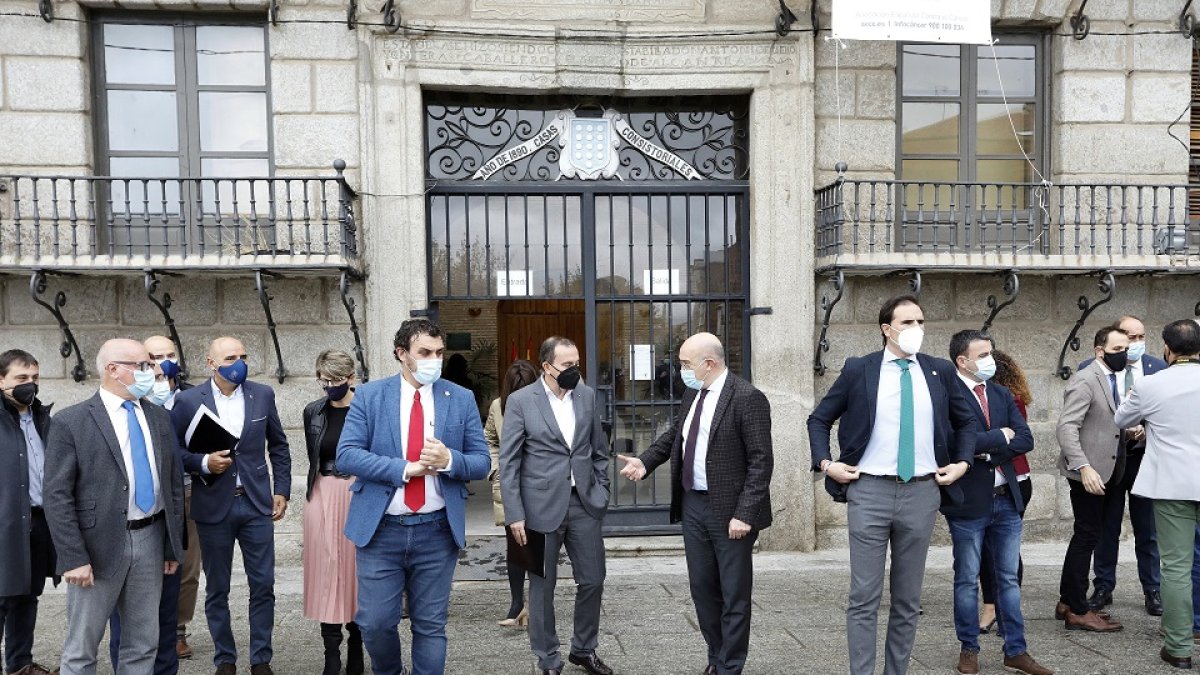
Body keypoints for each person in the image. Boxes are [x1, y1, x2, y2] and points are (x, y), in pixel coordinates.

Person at [807, 294, 976, 675]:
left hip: (921, 492)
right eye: (907, 323)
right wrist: (826, 463)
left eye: (920, 321)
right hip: (869, 491)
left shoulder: (939, 371)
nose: (917, 329)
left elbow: (967, 421)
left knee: (907, 599)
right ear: (887, 329)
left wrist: (963, 463)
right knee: (864, 596)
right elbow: (818, 419)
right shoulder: (859, 369)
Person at [336, 319, 490, 675]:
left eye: (439, 352)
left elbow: (481, 461)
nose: (433, 359)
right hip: (381, 530)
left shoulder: (461, 398)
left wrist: (450, 460)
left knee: (430, 625)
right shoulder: (371, 397)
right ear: (401, 354)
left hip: (436, 531)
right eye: (424, 352)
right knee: (374, 623)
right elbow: (347, 455)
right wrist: (405, 469)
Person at [617, 332, 773, 675]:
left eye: (686, 363)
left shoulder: (748, 398)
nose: (681, 369)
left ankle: (730, 666)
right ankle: (717, 656)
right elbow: (676, 436)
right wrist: (644, 463)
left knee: (733, 594)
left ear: (709, 363)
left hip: (731, 512)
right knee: (702, 589)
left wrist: (745, 513)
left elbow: (762, 461)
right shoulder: (694, 393)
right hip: (693, 505)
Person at [43, 339, 185, 675]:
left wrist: (171, 545)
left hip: (150, 538)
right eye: (142, 366)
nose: (152, 372)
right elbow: (57, 496)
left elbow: (172, 485)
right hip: (97, 548)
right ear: (112, 370)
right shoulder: (71, 422)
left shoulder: (158, 418)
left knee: (142, 644)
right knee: (81, 649)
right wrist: (73, 557)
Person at [170, 337, 292, 675]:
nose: (238, 362)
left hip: (256, 504)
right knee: (217, 587)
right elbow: (174, 452)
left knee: (263, 584)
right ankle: (225, 658)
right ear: (211, 363)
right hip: (213, 506)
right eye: (230, 357)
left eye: (243, 355)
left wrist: (281, 489)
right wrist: (204, 462)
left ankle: (260, 659)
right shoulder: (188, 400)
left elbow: (279, 446)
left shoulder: (262, 394)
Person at [500, 336, 613, 675]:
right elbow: (509, 463)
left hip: (584, 504)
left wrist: (601, 489)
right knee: (542, 587)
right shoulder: (521, 401)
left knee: (593, 579)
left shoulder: (587, 395)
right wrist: (515, 513)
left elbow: (598, 449)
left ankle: (583, 649)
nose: (574, 371)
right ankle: (548, 658)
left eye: (577, 363)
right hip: (538, 508)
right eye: (567, 365)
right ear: (547, 367)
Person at [942, 331, 1050, 675]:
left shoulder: (1002, 393)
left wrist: (981, 447)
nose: (991, 360)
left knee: (1007, 578)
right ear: (963, 360)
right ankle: (968, 648)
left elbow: (1025, 439)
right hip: (968, 502)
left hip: (1007, 500)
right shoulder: (946, 394)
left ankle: (1015, 649)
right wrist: (997, 438)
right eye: (984, 354)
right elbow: (950, 441)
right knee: (966, 578)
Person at [1115, 319, 1200, 669]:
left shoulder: (1151, 384)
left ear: (1166, 348)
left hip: (1172, 484)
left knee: (1176, 567)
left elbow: (1122, 419)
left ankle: (1179, 647)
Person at [1084, 316, 1166, 616]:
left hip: (1145, 458)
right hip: (1110, 459)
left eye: (1141, 336)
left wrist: (1146, 426)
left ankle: (1152, 589)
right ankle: (1103, 585)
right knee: (1107, 526)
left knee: (1148, 528)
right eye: (1130, 338)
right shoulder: (1093, 369)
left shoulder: (1158, 368)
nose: (1136, 344)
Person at [1055, 326, 1131, 632]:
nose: (1124, 354)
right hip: (1090, 474)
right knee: (1086, 535)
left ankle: (1066, 600)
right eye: (1117, 350)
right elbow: (1066, 427)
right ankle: (1077, 609)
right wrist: (1083, 467)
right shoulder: (1086, 379)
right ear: (1099, 351)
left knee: (1090, 534)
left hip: (1112, 471)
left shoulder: (1115, 379)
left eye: (1126, 348)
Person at [303, 350, 364, 675]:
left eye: (336, 381)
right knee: (325, 573)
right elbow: (313, 457)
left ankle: (356, 649)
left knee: (356, 573)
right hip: (322, 494)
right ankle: (331, 655)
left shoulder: (366, 409)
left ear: (351, 378)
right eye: (324, 381)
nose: (329, 387)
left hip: (357, 493)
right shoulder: (313, 411)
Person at [141, 335, 202, 661]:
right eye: (155, 357)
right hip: (147, 497)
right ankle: (148, 629)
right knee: (146, 564)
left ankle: (178, 630)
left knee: (187, 566)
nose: (163, 362)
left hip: (188, 491)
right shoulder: (135, 397)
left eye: (169, 355)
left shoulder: (193, 396)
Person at [0, 350, 58, 675]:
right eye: (21, 378)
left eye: (34, 378)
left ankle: (20, 664)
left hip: (38, 522)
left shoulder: (42, 418)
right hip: (4, 523)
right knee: (2, 597)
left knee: (27, 595)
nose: (30, 385)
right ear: (1, 380)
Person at [977, 349, 1035, 633]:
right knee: (984, 550)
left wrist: (988, 450)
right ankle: (992, 605)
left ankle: (1002, 608)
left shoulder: (1010, 398)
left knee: (1006, 550)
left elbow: (1021, 438)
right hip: (982, 483)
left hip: (1013, 481)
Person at [484, 359, 541, 627]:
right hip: (510, 483)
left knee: (538, 544)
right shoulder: (498, 406)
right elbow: (490, 440)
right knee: (515, 543)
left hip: (541, 483)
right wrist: (497, 468)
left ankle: (538, 604)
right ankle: (517, 602)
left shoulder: (546, 403)